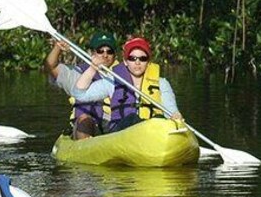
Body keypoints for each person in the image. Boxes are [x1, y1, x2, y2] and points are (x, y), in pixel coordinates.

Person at [53, 36, 183, 137]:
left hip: (152, 131)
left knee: (160, 119)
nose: (137, 62)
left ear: (148, 61)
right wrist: (93, 68)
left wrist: (175, 116)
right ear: (125, 61)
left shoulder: (161, 83)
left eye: (142, 58)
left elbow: (171, 110)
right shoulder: (113, 81)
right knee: (132, 119)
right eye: (132, 58)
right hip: (121, 131)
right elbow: (79, 94)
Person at [45, 31, 124, 139]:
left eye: (109, 51)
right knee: (84, 119)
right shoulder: (78, 73)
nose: (105, 55)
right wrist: (57, 48)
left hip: (114, 124)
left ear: (115, 55)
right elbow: (51, 66)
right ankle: (84, 147)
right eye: (100, 51)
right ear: (92, 53)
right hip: (87, 125)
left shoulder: (123, 74)